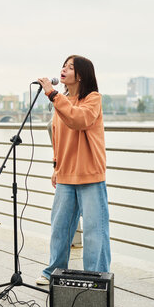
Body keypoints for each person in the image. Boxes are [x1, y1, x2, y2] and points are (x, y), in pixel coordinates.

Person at [35, 55, 111, 285]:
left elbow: (79, 119)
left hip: (90, 174)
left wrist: (52, 94)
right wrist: (56, 166)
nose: (64, 70)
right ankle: (52, 271)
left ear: (81, 75)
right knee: (60, 227)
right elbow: (58, 136)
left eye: (70, 67)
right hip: (66, 174)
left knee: (94, 230)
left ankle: (97, 276)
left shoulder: (92, 99)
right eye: (63, 66)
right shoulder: (63, 101)